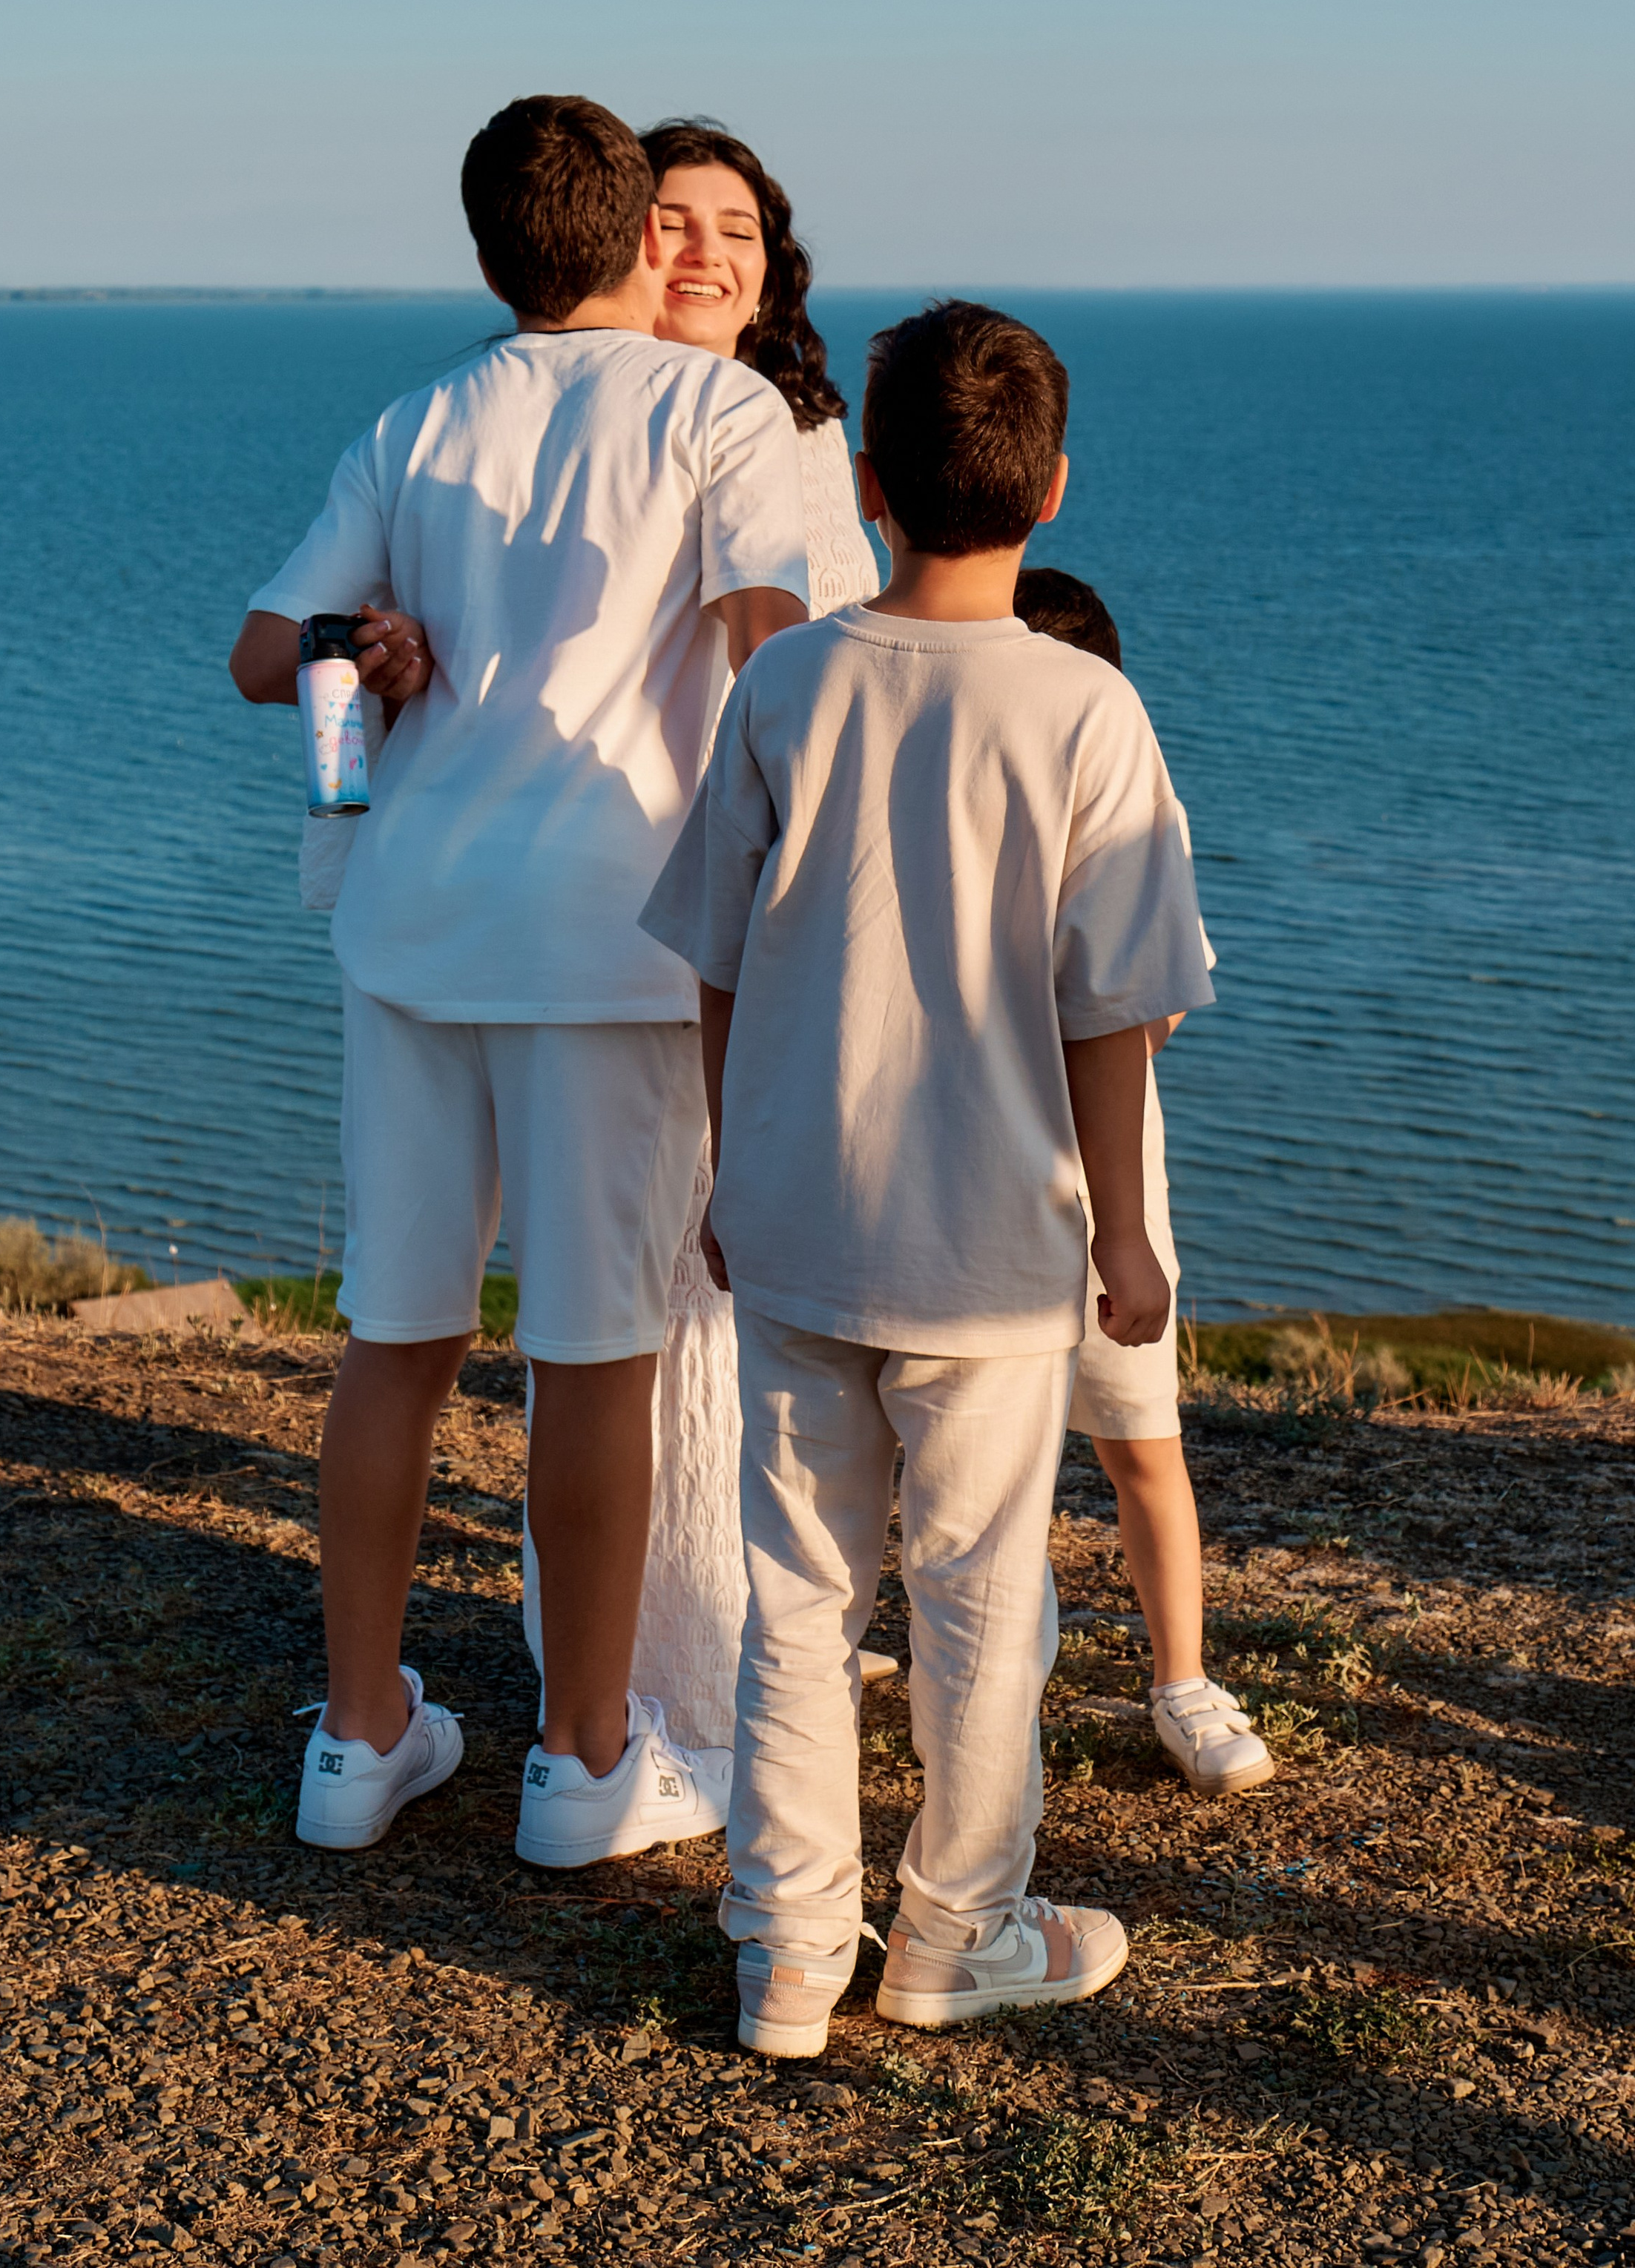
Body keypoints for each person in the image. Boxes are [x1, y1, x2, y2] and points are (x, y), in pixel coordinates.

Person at [228, 94, 809, 1868]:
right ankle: (579, 1760)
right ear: (644, 237)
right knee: (592, 1359)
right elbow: (774, 650)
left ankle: (356, 1736)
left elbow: (267, 655)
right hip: (617, 944)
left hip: (411, 928)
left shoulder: (416, 417)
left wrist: (370, 647)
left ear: (486, 251)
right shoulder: (723, 408)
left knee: (395, 1339)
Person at [639, 300, 1216, 2055]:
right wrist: (1123, 1231)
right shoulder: (1085, 710)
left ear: (866, 480)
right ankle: (955, 1931)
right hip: (993, 1249)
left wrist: (733, 1175)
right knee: (982, 1609)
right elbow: (1113, 1014)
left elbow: (716, 961)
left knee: (797, 1604)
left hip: (802, 1226)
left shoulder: (789, 680)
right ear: (1052, 489)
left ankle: (786, 1956)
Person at [627, 121, 891, 1747]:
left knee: (744, 1265)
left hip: (765, 886)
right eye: (668, 220)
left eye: (737, 226)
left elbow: (830, 662)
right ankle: (660, 1658)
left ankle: (758, 1639)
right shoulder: (574, 418)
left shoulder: (799, 425)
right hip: (612, 899)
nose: (707, 250)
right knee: (639, 1277)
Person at [1014, 568, 1274, 1796]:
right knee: (974, 1452)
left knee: (1142, 1446)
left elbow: (1161, 1004)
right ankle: (1013, 1649)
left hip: (1106, 1192)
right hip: (975, 1187)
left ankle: (1182, 1679)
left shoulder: (1136, 821)